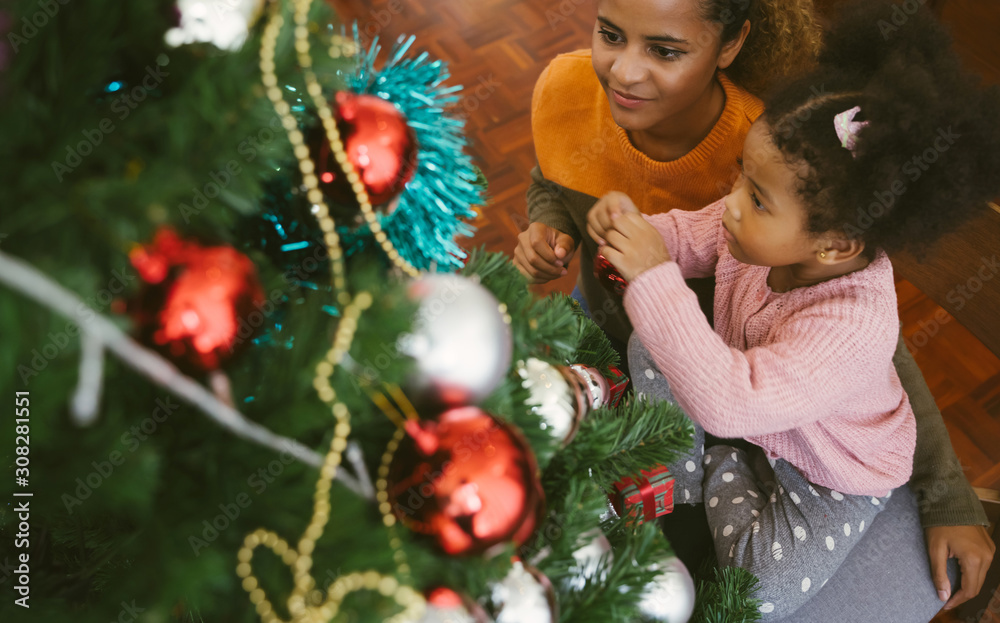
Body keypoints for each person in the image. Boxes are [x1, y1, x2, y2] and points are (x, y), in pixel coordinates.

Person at [514, 0, 994, 614]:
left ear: (837, 244)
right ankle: (684, 470)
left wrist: (653, 275)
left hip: (825, 475)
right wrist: (639, 233)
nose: (733, 203)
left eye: (755, 198)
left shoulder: (851, 323)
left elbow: (730, 401)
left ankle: (714, 469)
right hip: (750, 402)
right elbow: (694, 231)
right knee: (646, 342)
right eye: (739, 178)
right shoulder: (757, 224)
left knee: (759, 592)